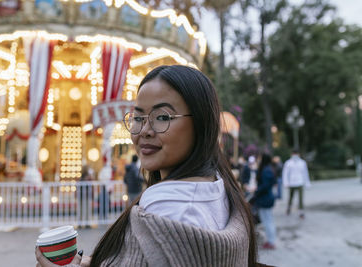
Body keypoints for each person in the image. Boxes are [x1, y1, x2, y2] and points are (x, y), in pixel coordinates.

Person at [36, 65, 260, 267]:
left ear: (201, 123)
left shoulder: (171, 207)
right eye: (139, 117)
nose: (144, 130)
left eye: (162, 117)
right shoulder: (218, 189)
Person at [250, 153, 277, 250]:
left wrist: (256, 190)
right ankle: (270, 241)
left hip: (265, 199)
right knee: (268, 220)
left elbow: (265, 186)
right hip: (267, 198)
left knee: (267, 221)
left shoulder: (266, 170)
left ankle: (271, 242)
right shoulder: (269, 169)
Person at [282, 149, 311, 219]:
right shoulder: (288, 163)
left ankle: (301, 212)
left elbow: (305, 173)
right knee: (290, 197)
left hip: (300, 182)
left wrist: (307, 183)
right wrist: (286, 183)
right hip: (291, 183)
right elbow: (285, 174)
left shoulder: (302, 163)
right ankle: (288, 208)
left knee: (300, 198)